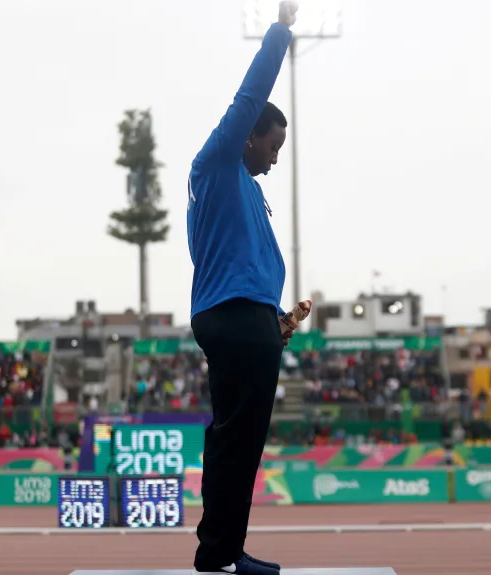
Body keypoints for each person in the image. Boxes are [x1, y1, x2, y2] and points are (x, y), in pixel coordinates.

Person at [186, 3, 298, 574]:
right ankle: (221, 553)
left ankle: (221, 547)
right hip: (232, 316)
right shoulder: (217, 161)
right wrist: (281, 30)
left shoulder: (249, 191)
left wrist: (277, 315)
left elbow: (255, 259)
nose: (274, 158)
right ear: (248, 136)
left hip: (244, 316)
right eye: (271, 146)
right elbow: (248, 96)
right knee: (238, 440)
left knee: (235, 437)